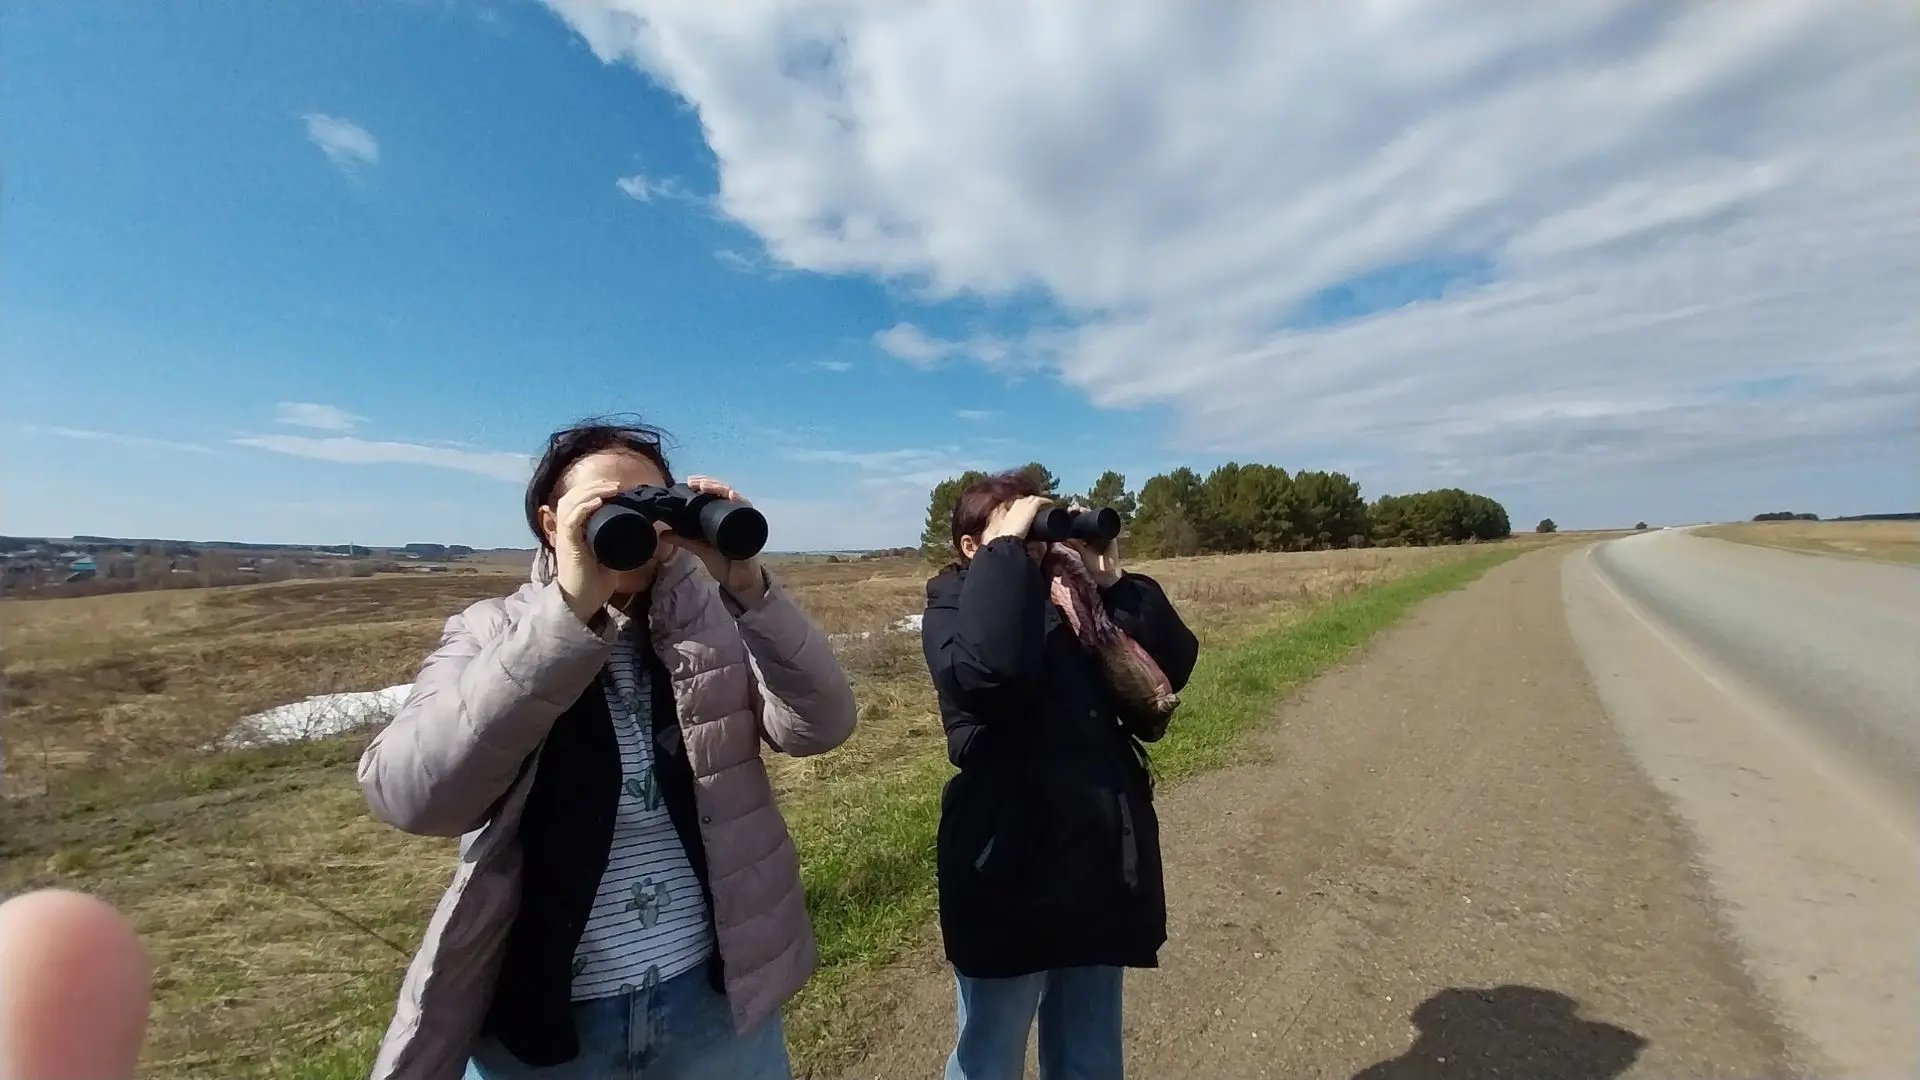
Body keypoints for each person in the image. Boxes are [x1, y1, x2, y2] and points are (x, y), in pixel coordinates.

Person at [357, 419, 857, 1080]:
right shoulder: (492, 632)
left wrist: (747, 585)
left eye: (655, 505)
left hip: (712, 1001)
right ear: (549, 522)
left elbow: (821, 724)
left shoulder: (712, 629)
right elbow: (413, 796)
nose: (639, 529)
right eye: (607, 507)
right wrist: (565, 618)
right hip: (552, 1023)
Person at [923, 472, 1200, 1080]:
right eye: (1019, 528)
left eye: (1042, 527)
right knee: (990, 1053)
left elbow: (1173, 668)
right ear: (972, 546)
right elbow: (988, 674)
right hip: (1008, 865)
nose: (1042, 545)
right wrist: (1004, 560)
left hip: (1098, 853)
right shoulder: (950, 604)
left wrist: (1112, 580)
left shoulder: (1080, 601)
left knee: (1090, 1051)